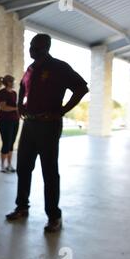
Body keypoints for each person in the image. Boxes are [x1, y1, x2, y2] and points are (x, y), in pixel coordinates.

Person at [6, 34, 89, 233]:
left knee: (49, 171)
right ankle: (22, 207)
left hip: (48, 125)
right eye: (31, 46)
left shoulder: (60, 67)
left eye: (36, 46)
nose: (32, 49)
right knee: (23, 167)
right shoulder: (30, 69)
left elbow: (81, 88)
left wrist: (61, 110)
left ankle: (54, 216)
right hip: (29, 126)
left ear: (46, 47)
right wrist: (19, 106)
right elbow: (22, 87)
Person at [0, 75, 19, 173]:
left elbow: (14, 106)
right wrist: (16, 108)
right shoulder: (2, 92)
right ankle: (2, 166)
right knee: (6, 142)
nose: (13, 82)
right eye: (12, 81)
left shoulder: (14, 93)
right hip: (4, 121)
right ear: (8, 82)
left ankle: (9, 165)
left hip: (15, 120)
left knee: (12, 143)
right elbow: (2, 107)